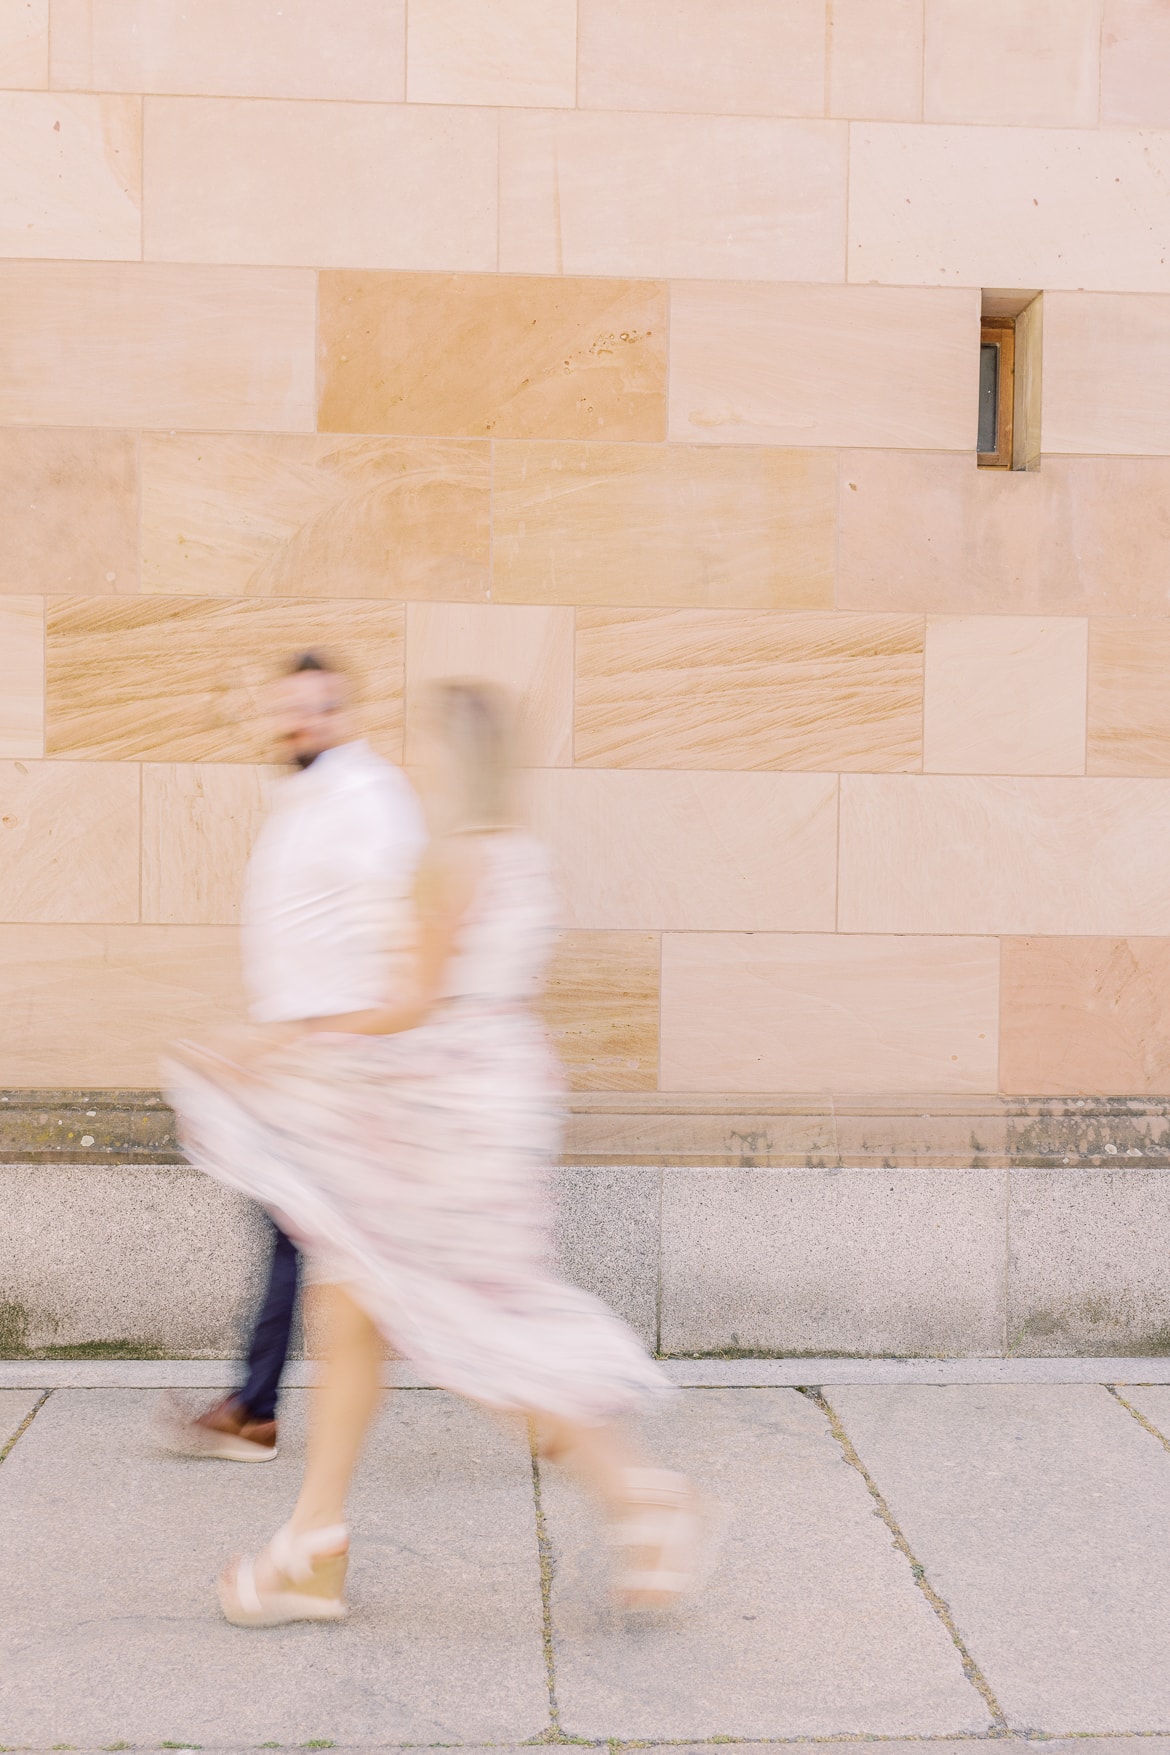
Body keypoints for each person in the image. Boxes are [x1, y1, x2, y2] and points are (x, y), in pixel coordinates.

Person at [165, 679, 708, 1625]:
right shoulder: (522, 859)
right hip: (498, 1093)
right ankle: (313, 1541)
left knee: (447, 1319)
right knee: (362, 1302)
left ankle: (638, 1501)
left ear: (452, 761)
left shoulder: (449, 862)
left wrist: (274, 1041)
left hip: (440, 1107)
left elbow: (409, 1006)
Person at [162, 651, 425, 1463]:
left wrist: (298, 1038)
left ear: (345, 712)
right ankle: (253, 1406)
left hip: (342, 1065)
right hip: (303, 1065)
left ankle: (541, 1395)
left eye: (315, 708)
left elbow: (393, 934)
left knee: (373, 1242)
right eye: (287, 708)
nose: (297, 722)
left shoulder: (364, 798)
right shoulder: (309, 796)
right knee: (293, 1223)